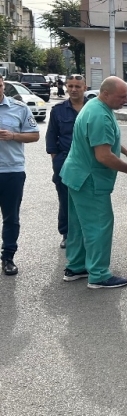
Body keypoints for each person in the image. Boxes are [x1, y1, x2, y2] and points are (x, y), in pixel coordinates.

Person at [60, 76, 127, 289]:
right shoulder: (100, 115)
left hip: (76, 175)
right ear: (106, 94)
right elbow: (103, 156)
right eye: (121, 96)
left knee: (79, 224)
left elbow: (104, 140)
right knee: (99, 225)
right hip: (90, 179)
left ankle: (76, 266)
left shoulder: (95, 106)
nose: (125, 100)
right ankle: (98, 274)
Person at [0, 74, 40, 276]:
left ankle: (8, 257)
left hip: (11, 171)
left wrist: (13, 135)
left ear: (3, 84)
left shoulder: (20, 108)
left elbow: (35, 135)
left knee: (11, 217)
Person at [46, 74, 88, 249]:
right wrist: (57, 162)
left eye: (77, 86)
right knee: (65, 200)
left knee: (87, 199)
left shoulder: (93, 108)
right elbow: (51, 137)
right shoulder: (58, 110)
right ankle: (67, 233)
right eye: (70, 86)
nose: (73, 89)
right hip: (65, 160)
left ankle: (86, 233)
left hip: (88, 161)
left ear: (85, 87)